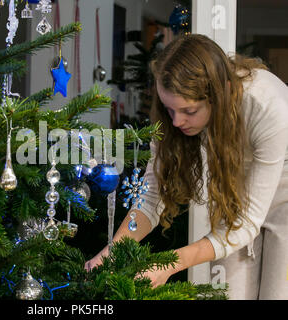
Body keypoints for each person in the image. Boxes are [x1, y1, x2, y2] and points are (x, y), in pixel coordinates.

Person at [85, 34, 288, 300]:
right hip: (238, 189)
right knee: (226, 293)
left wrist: (169, 263)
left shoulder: (267, 107)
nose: (178, 121)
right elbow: (152, 197)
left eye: (189, 112)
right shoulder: (172, 119)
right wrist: (113, 251)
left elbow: (248, 222)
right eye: (170, 110)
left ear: (221, 93)